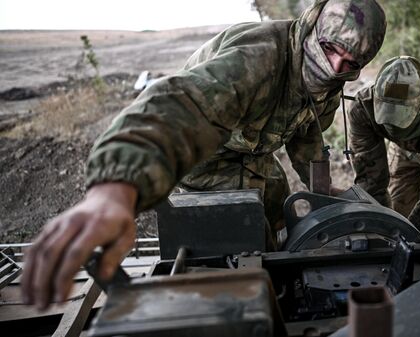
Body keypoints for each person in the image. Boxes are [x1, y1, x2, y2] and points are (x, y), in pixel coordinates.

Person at [21, 0, 386, 310]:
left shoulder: (328, 76)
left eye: (351, 62)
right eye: (330, 49)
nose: (336, 66)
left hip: (253, 151)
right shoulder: (259, 59)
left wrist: (320, 190)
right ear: (311, 30)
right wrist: (115, 191)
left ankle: (276, 285)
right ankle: (240, 303)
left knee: (276, 208)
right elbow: (181, 109)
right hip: (207, 154)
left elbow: (306, 127)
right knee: (242, 232)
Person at [348, 56, 420, 240]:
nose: (394, 129)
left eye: (400, 119)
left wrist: (407, 244)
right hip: (404, 150)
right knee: (398, 213)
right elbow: (371, 179)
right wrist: (382, 231)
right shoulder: (363, 109)